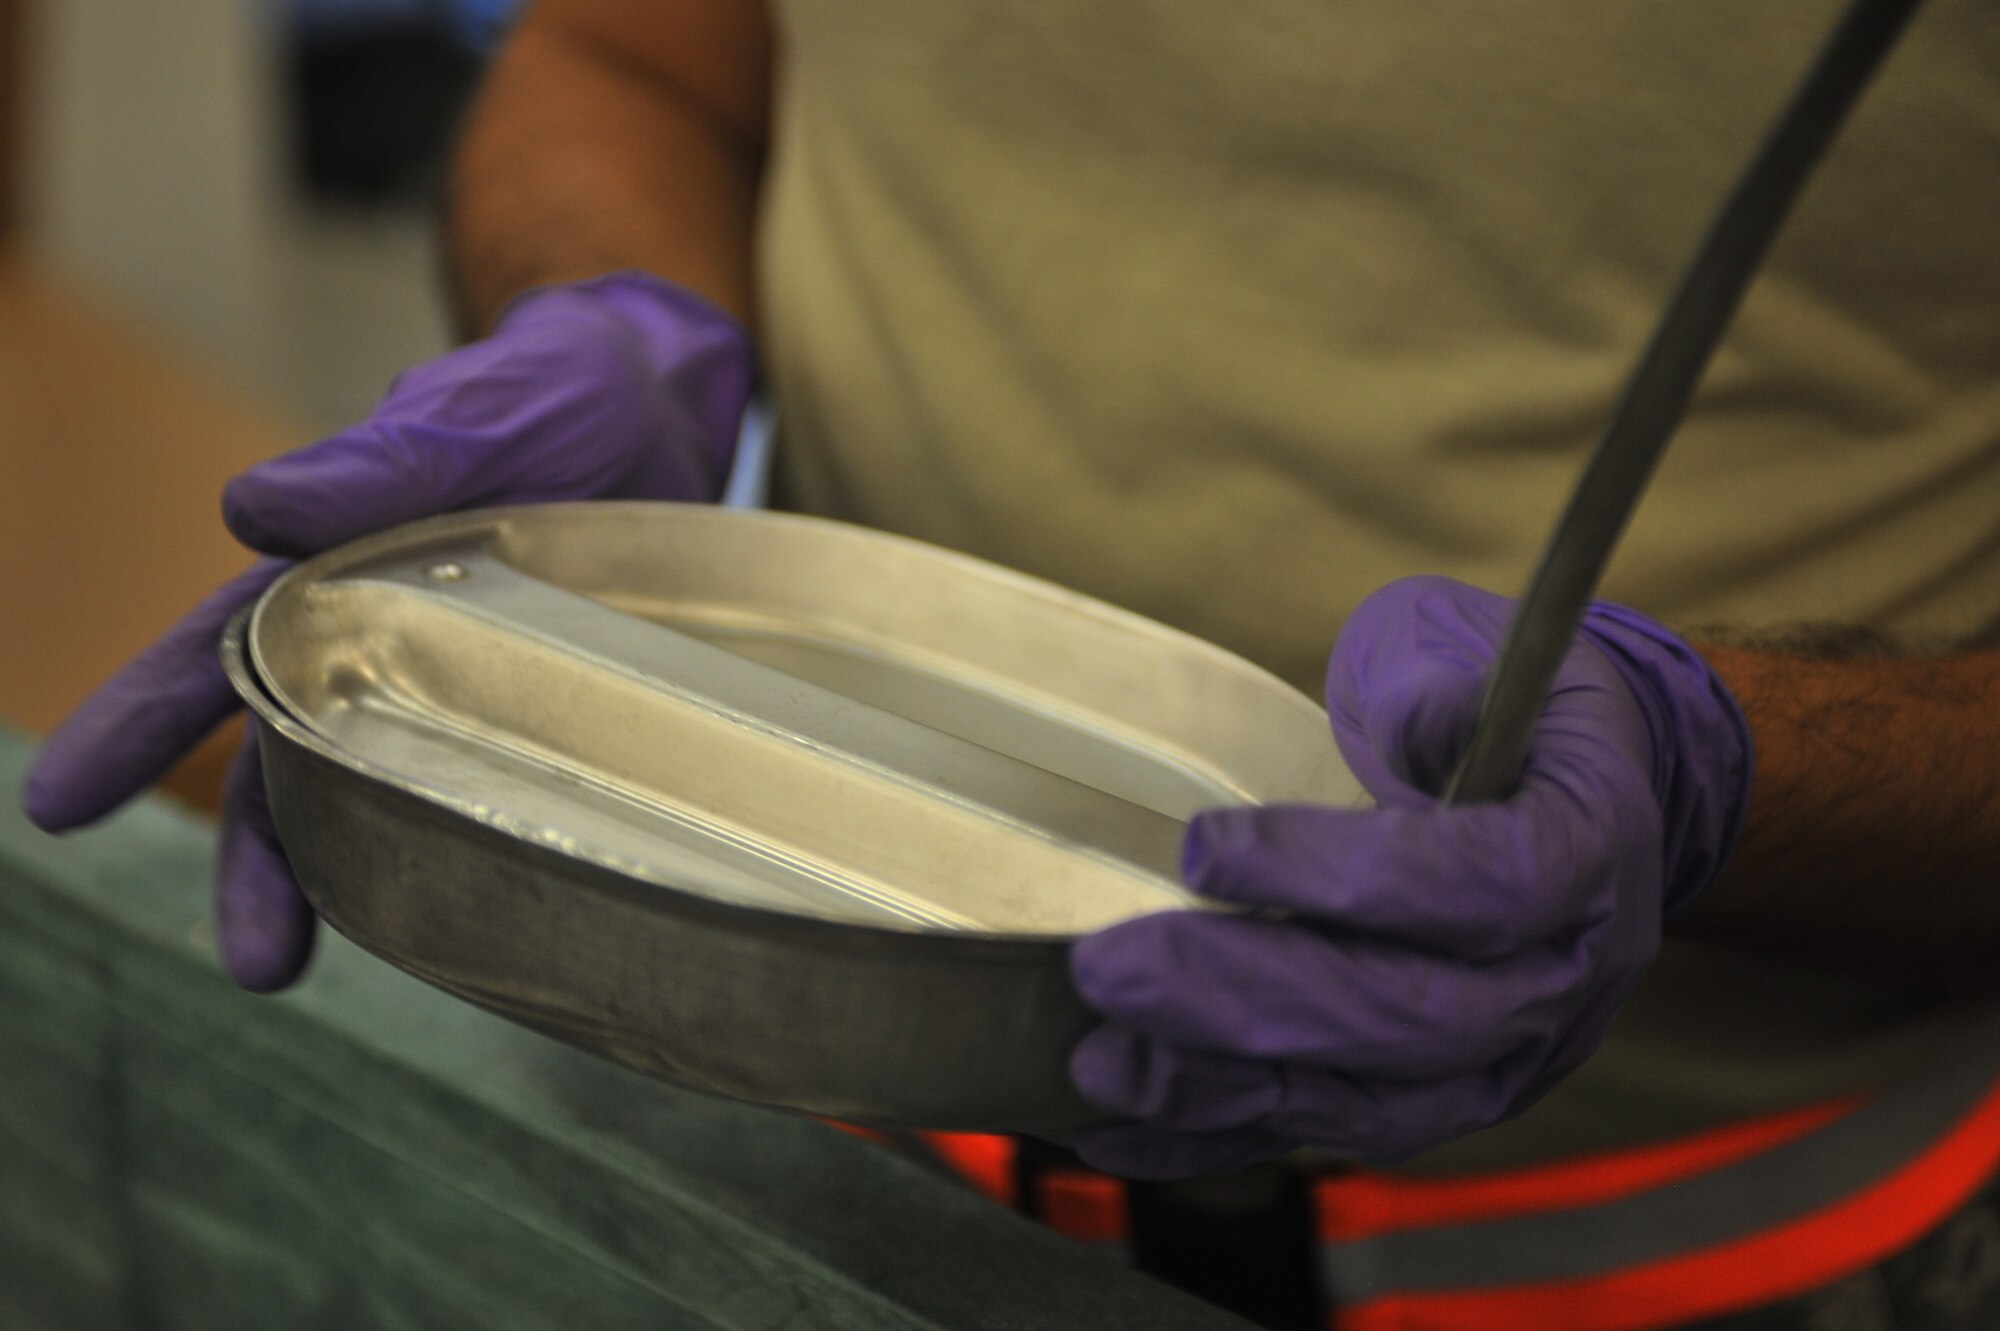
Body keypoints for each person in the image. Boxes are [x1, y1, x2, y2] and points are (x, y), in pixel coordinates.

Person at [24, 2, 2000, 1327]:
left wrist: (1730, 770)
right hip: (782, 1140)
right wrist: (611, 314)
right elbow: (639, 50)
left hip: (1714, 1258)